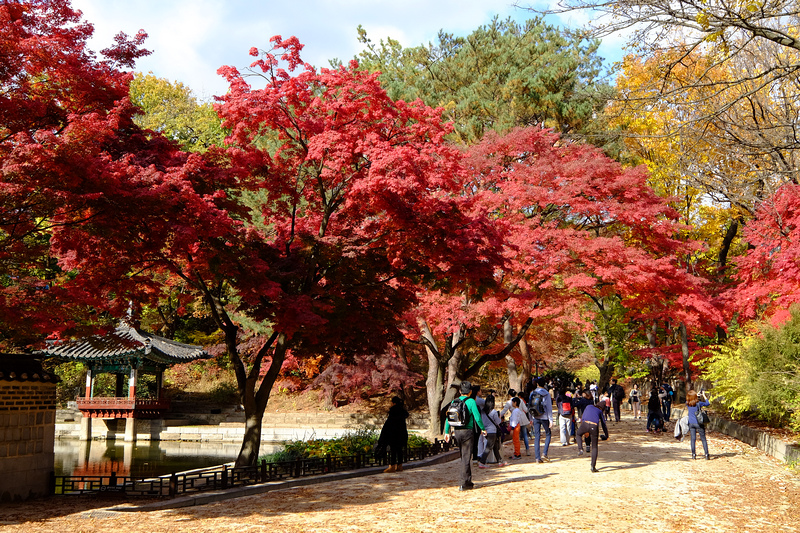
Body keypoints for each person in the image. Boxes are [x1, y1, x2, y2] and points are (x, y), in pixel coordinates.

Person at [444, 380, 487, 491]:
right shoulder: (471, 401)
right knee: (466, 458)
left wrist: (447, 432)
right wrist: (482, 429)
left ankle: (468, 480)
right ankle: (464, 483)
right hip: (467, 431)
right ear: (470, 391)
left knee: (464, 456)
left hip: (457, 431)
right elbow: (477, 417)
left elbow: (448, 417)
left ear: (460, 391)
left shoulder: (454, 401)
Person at [575, 396, 609, 473]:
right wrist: (607, 435)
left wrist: (585, 429)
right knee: (594, 447)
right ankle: (593, 467)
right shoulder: (600, 411)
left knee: (578, 434)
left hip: (585, 423)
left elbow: (583, 417)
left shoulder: (589, 406)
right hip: (594, 426)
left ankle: (580, 449)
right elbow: (603, 424)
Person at [376, 396, 409, 473]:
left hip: (393, 434)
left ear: (393, 403)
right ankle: (400, 465)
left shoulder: (393, 412)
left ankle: (392, 466)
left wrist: (384, 434)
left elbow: (389, 424)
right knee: (399, 450)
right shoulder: (402, 412)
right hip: (401, 434)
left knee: (393, 450)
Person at [478, 394, 507, 467]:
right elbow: (498, 422)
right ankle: (482, 462)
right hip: (492, 431)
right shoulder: (493, 412)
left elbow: (482, 421)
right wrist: (499, 417)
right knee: (489, 447)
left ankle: (500, 461)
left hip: (486, 431)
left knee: (495, 446)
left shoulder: (483, 411)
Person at [530, 377, 553, 463]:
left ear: (537, 384)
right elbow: (549, 407)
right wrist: (551, 419)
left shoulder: (532, 393)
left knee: (537, 436)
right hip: (544, 417)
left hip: (535, 416)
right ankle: (545, 453)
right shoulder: (546, 394)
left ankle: (537, 458)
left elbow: (530, 405)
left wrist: (530, 418)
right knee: (548, 434)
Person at [686, 389, 711, 460]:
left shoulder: (687, 403)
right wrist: (703, 395)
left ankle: (693, 455)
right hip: (699, 423)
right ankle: (706, 454)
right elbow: (707, 403)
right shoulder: (699, 403)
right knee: (703, 439)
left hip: (691, 423)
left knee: (693, 439)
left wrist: (696, 394)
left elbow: (691, 398)